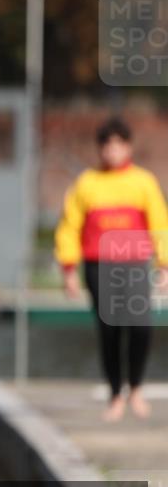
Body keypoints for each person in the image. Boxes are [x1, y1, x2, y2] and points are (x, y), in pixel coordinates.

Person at [54, 116, 168, 422]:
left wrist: (165, 264)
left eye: (119, 143)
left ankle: (137, 388)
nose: (113, 150)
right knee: (110, 330)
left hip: (133, 264)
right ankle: (116, 394)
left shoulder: (143, 182)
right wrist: (68, 268)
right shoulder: (87, 183)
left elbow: (159, 223)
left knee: (141, 327)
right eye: (107, 144)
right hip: (98, 265)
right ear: (100, 148)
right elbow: (69, 227)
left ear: (128, 147)